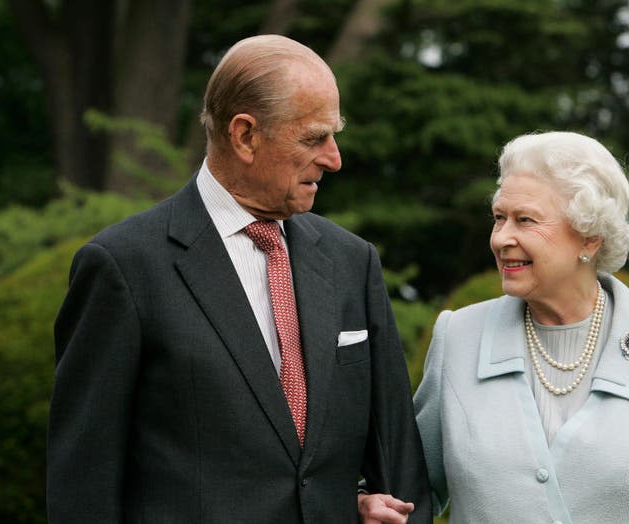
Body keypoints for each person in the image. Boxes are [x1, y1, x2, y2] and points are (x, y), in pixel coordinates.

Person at [47, 34, 431, 523]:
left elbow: (399, 467)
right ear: (245, 135)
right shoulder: (123, 266)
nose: (334, 158)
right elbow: (83, 488)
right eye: (314, 137)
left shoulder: (352, 262)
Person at [360, 131, 629, 523]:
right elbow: (407, 491)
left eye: (525, 220)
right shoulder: (458, 337)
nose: (502, 238)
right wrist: (366, 503)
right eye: (499, 218)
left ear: (589, 238)